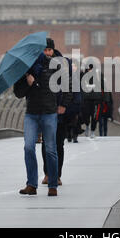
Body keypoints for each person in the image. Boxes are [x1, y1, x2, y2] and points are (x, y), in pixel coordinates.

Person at [13, 38, 69, 197]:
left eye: (45, 49)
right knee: (28, 147)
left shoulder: (54, 65)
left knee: (51, 149)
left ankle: (53, 184)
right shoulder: (24, 69)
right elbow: (18, 93)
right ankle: (31, 184)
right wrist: (28, 82)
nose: (43, 52)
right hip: (31, 113)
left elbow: (66, 86)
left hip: (49, 112)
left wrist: (63, 104)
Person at [41, 46, 73, 186]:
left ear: (53, 50)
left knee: (58, 144)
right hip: (45, 111)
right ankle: (47, 173)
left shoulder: (63, 64)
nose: (47, 53)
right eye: (44, 50)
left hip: (60, 112)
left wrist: (64, 106)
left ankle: (57, 175)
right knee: (46, 145)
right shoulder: (39, 66)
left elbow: (70, 87)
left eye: (49, 49)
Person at [81, 64, 104, 139]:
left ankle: (93, 131)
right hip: (86, 99)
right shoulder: (83, 76)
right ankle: (87, 126)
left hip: (96, 99)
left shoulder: (99, 75)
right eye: (88, 69)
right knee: (86, 115)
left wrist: (104, 99)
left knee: (95, 116)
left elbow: (103, 86)